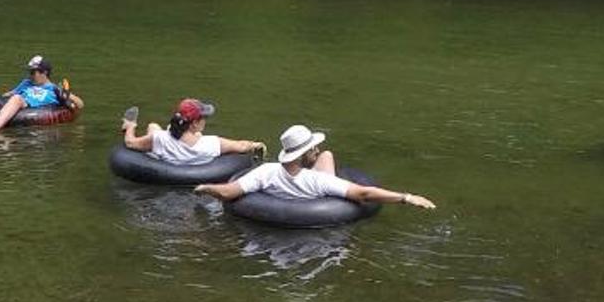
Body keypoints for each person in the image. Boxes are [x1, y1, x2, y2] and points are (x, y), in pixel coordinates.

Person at [199, 123, 436, 212]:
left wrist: (205, 188)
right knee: (328, 158)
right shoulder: (320, 182)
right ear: (305, 153)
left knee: (327, 155)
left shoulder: (266, 171)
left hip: (283, 195)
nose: (317, 151)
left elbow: (228, 192)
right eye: (314, 149)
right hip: (315, 201)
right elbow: (364, 193)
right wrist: (406, 197)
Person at [0, 56, 79, 136]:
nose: (30, 75)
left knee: (17, 99)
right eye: (29, 71)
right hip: (13, 102)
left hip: (27, 105)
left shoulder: (54, 88)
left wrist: (66, 95)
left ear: (44, 72)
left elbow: (80, 104)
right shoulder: (26, 83)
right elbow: (10, 94)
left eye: (33, 72)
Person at [120, 98, 267, 165]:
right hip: (193, 162)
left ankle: (129, 123)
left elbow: (130, 143)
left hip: (168, 154)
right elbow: (241, 146)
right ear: (195, 123)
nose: (205, 121)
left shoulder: (160, 139)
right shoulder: (211, 144)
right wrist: (256, 145)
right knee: (198, 135)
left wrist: (130, 126)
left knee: (153, 126)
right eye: (204, 118)